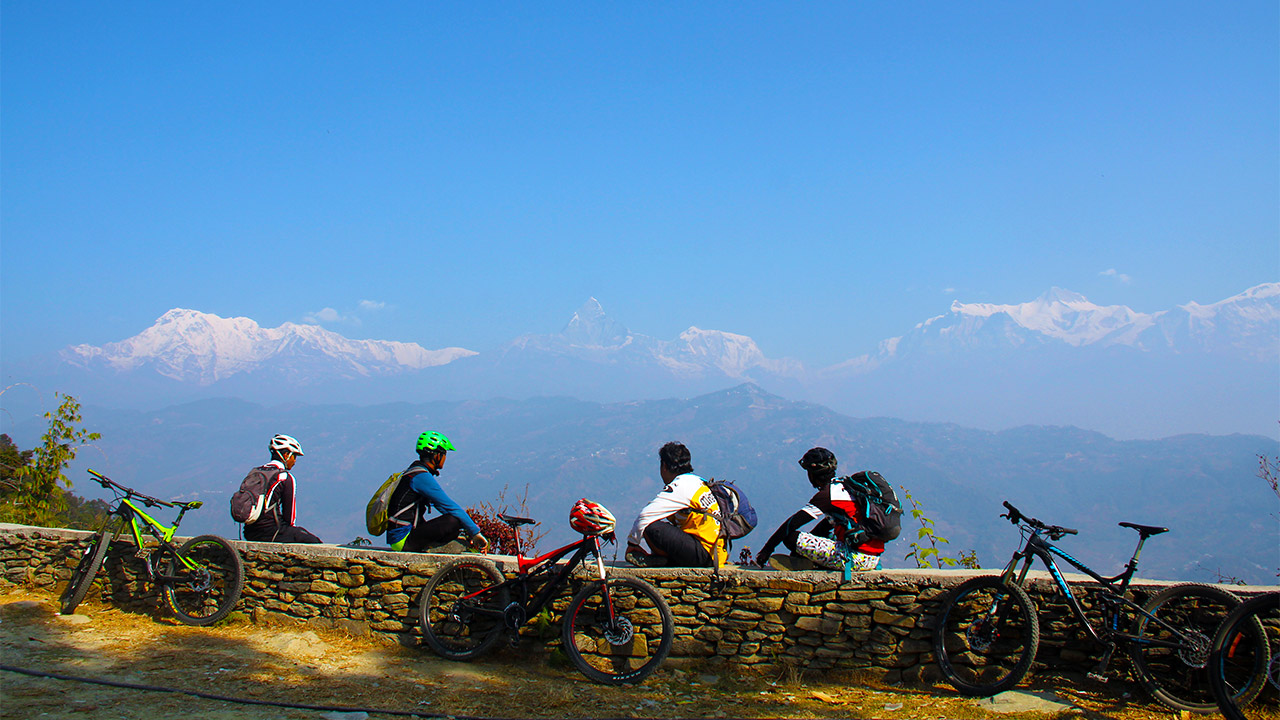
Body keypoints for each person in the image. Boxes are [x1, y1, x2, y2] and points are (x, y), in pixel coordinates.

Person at [753, 447, 885, 572]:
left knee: (790, 537)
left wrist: (766, 551)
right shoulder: (846, 489)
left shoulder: (828, 496)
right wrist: (799, 552)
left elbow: (791, 524)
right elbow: (823, 528)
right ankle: (808, 560)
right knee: (823, 534)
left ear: (812, 474)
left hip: (854, 559)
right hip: (872, 559)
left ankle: (812, 563)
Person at [625, 441, 726, 568]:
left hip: (704, 555)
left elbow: (645, 516)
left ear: (665, 466)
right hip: (716, 553)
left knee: (650, 526)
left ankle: (665, 560)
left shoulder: (680, 487)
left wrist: (632, 544)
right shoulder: (699, 482)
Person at [385, 431, 489, 554]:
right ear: (436, 455)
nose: (445, 458)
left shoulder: (414, 472)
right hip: (403, 540)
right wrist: (475, 532)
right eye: (444, 454)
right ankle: (433, 548)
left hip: (398, 538)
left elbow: (441, 506)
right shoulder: (421, 477)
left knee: (456, 524)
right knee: (453, 521)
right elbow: (450, 507)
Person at [243, 434, 323, 544]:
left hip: (249, 532)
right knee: (313, 541)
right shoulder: (285, 477)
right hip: (272, 533)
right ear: (286, 455)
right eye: (294, 456)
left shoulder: (255, 472)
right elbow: (289, 518)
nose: (294, 461)